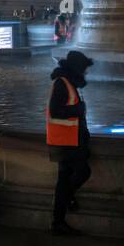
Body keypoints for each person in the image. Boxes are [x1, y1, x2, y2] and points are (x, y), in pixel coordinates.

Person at [45, 49, 93, 235]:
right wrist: (78, 110)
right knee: (81, 173)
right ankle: (66, 200)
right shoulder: (62, 83)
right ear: (77, 68)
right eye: (84, 69)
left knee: (65, 180)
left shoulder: (69, 83)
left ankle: (58, 221)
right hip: (66, 142)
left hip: (70, 140)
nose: (86, 72)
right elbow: (55, 111)